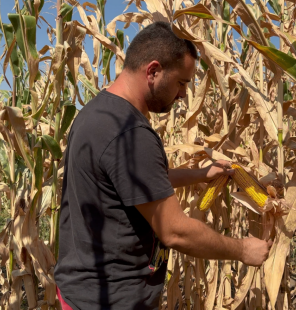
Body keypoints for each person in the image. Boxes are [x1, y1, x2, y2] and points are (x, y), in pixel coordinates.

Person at [54, 21, 272, 310]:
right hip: (111, 300)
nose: (183, 95)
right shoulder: (129, 132)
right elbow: (174, 231)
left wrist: (201, 174)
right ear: (153, 71)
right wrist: (243, 249)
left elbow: (133, 181)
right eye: (181, 83)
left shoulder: (96, 113)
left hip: (82, 292)